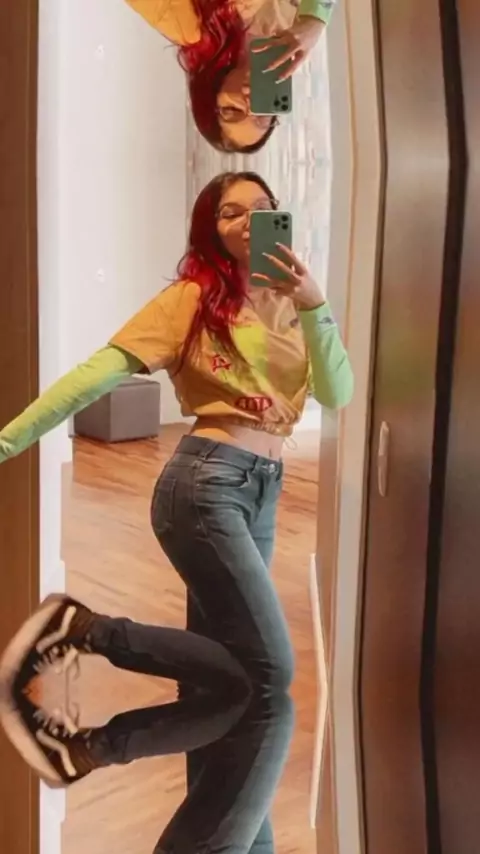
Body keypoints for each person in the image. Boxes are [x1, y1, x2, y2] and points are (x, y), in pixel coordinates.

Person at [0, 170, 353, 847]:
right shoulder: (192, 299)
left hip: (263, 489)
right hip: (205, 485)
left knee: (222, 682)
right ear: (210, 232)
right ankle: (87, 631)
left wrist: (314, 305)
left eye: (261, 209)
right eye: (230, 213)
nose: (248, 221)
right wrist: (8, 440)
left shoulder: (297, 302)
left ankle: (100, 748)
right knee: (269, 678)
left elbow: (337, 393)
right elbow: (95, 374)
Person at [124, 0, 336, 151]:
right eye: (260, 115)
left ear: (210, 96)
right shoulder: (293, 31)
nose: (250, 103)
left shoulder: (187, 26)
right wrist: (315, 20)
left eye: (234, 110)